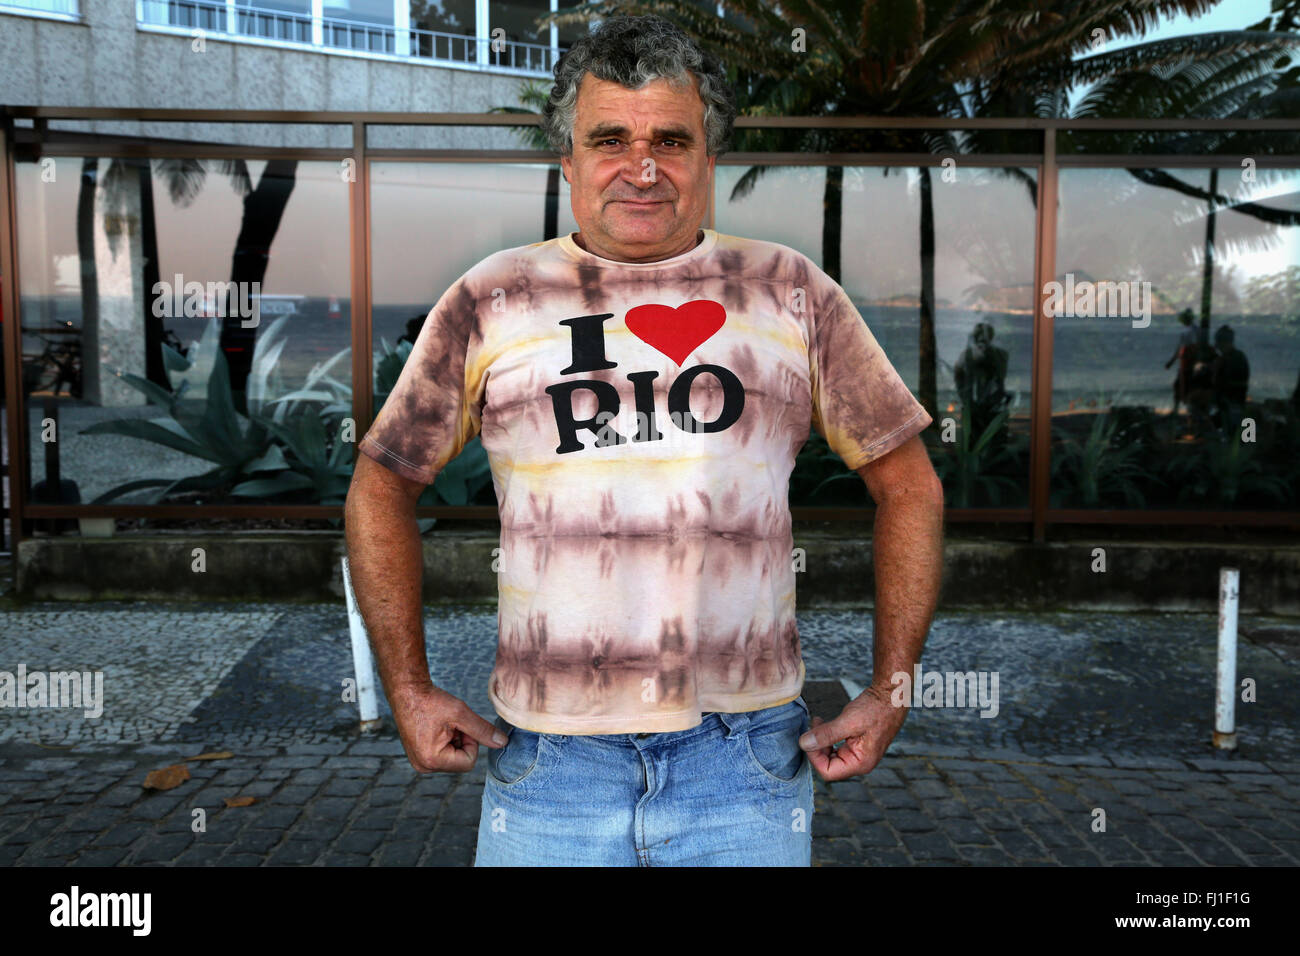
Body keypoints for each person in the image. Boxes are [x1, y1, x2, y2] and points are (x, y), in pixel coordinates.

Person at [344, 14, 944, 867]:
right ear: (568, 162)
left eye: (672, 138)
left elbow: (910, 485)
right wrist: (405, 686)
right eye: (610, 138)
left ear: (710, 159)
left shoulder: (789, 291)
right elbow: (381, 482)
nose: (642, 166)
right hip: (549, 761)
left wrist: (892, 691)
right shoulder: (493, 297)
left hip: (745, 758)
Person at [1211, 324, 1250, 434]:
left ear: (1225, 343)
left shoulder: (1227, 359)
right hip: (1235, 399)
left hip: (1228, 401)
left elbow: (1218, 382)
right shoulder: (1239, 356)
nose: (1217, 347)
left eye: (1219, 343)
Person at [1164, 308, 1198, 416]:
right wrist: (1172, 361)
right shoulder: (1194, 330)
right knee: (1183, 386)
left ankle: (1178, 410)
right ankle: (1180, 409)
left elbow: (1187, 347)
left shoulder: (1189, 331)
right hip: (1187, 363)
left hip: (1188, 364)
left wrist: (1172, 361)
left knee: (1181, 385)